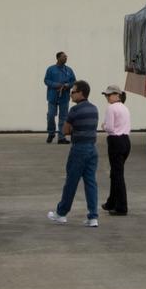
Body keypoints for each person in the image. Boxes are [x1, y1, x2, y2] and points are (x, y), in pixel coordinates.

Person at [47, 80, 99, 226]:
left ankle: (61, 213)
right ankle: (93, 217)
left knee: (71, 182)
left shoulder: (74, 110)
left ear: (81, 93)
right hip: (92, 149)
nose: (70, 95)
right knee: (90, 182)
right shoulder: (94, 109)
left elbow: (65, 131)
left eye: (73, 92)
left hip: (79, 149)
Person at [101, 84, 131, 216]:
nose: (107, 97)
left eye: (109, 95)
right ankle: (111, 202)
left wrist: (104, 126)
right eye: (106, 95)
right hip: (125, 141)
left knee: (117, 175)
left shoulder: (111, 108)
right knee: (115, 173)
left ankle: (121, 206)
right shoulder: (125, 108)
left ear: (117, 95)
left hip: (115, 141)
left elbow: (110, 128)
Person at [43, 50, 76, 143]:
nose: (66, 58)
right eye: (63, 56)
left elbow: (74, 81)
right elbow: (46, 80)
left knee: (63, 117)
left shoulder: (69, 70)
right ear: (58, 58)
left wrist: (67, 85)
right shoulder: (51, 69)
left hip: (64, 97)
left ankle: (61, 137)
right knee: (50, 115)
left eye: (66, 57)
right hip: (52, 96)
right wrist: (56, 85)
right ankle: (51, 133)